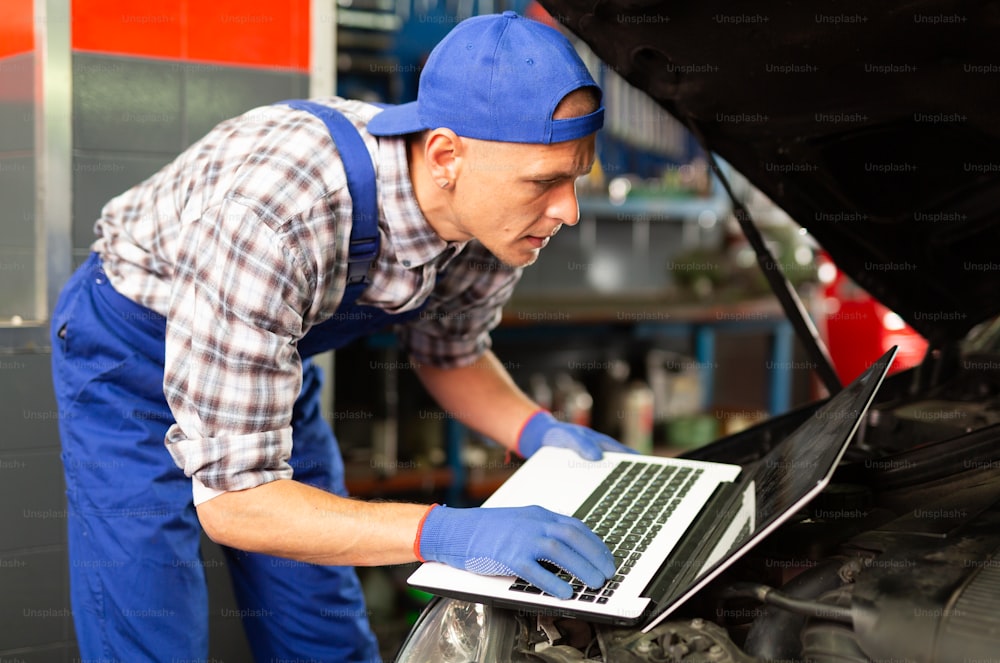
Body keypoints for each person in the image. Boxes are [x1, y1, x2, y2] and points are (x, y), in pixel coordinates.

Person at [50, 11, 632, 663]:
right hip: (130, 355)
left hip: (259, 367)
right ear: (445, 155)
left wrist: (537, 432)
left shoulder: (492, 225)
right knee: (152, 616)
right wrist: (444, 530)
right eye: (543, 182)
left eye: (575, 176)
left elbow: (451, 351)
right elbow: (238, 502)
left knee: (321, 625)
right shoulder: (282, 213)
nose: (568, 210)